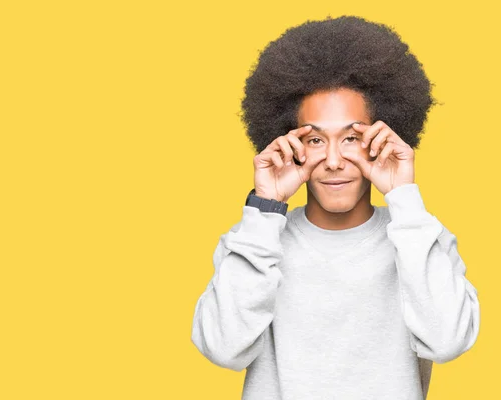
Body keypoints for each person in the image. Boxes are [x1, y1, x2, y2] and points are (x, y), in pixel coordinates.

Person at [190, 15, 480, 400]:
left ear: (382, 138)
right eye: (314, 140)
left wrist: (404, 198)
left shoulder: (421, 238)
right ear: (287, 143)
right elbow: (222, 350)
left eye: (352, 138)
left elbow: (448, 342)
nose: (332, 160)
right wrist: (265, 208)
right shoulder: (253, 242)